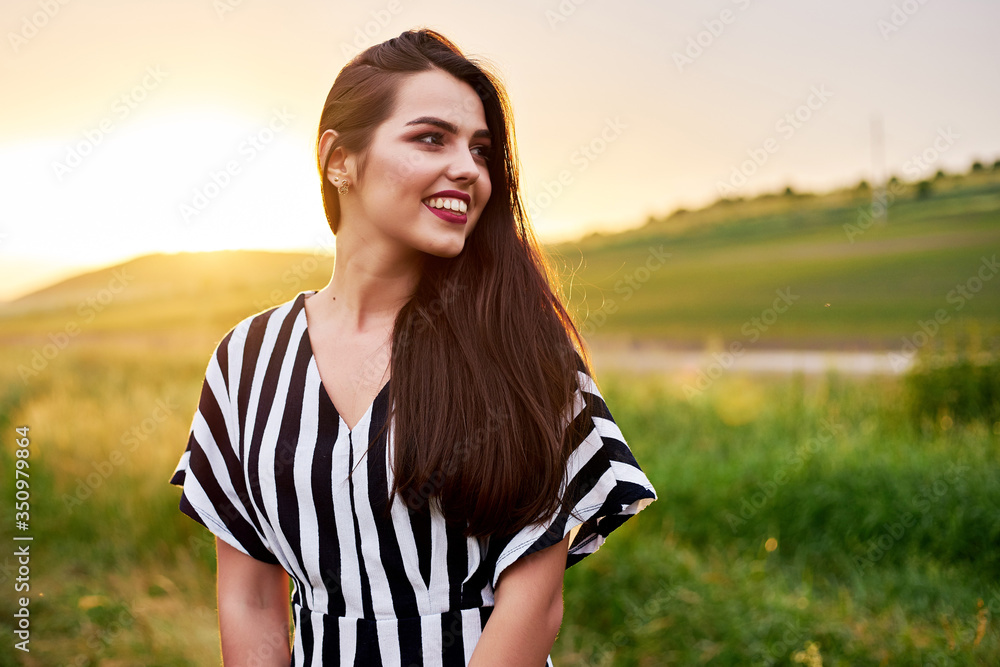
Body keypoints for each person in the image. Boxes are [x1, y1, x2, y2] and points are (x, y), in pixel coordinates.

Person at [169, 28, 656, 666]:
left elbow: (533, 603)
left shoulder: (517, 346)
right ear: (338, 158)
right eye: (432, 138)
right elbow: (252, 598)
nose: (468, 168)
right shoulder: (247, 361)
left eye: (481, 150)